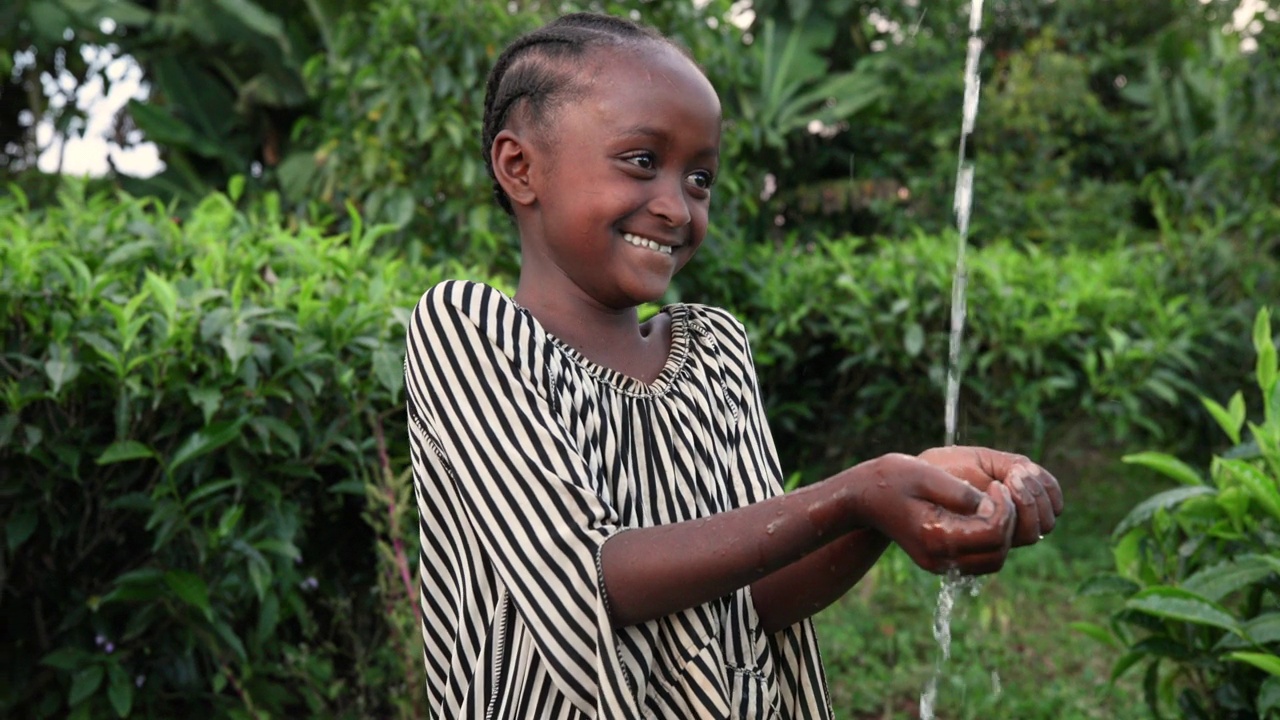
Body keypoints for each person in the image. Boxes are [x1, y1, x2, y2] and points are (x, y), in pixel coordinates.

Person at [404, 12, 1063, 720]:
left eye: (700, 178)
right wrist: (854, 493)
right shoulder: (469, 332)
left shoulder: (714, 353)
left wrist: (893, 505)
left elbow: (755, 598)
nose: (676, 207)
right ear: (520, 167)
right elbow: (593, 579)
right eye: (641, 161)